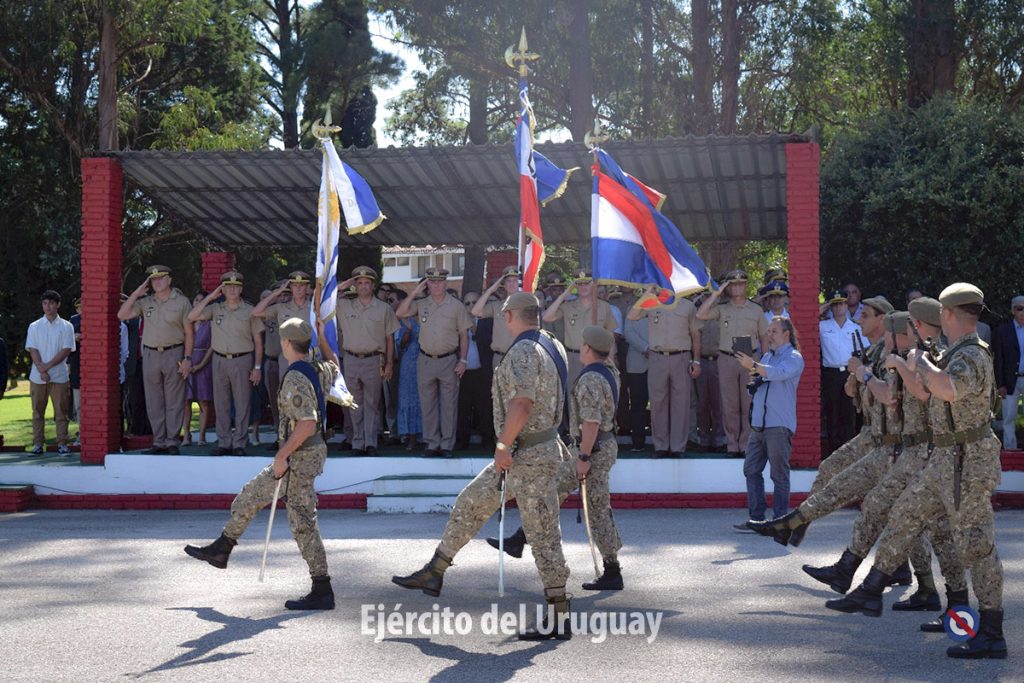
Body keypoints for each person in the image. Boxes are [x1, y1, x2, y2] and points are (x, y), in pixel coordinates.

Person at [829, 283, 1006, 660]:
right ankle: (871, 589)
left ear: (948, 314)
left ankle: (992, 633)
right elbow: (926, 392)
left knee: (976, 546)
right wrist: (911, 363)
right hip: (945, 458)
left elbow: (947, 389)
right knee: (905, 513)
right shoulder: (952, 352)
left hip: (968, 463)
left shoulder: (972, 354)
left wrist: (921, 363)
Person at [392, 292, 573, 640]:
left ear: (510, 316)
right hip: (528, 452)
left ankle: (559, 614)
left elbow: (522, 404)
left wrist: (503, 445)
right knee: (470, 502)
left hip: (528, 455)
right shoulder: (552, 343)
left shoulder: (523, 350)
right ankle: (435, 571)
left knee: (543, 537)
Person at [184, 317, 341, 611]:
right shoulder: (317, 368)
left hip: (299, 456)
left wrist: (282, 456)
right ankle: (223, 547)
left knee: (301, 522)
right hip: (305, 453)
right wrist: (323, 338)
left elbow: (307, 422)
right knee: (252, 496)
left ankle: (322, 589)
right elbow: (335, 366)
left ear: (285, 343)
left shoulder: (295, 377)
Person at [733, 317, 804, 528]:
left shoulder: (794, 357)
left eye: (774, 331)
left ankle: (780, 521)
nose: (769, 335)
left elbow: (778, 374)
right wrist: (753, 382)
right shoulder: (767, 356)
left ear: (786, 334)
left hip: (778, 424)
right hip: (759, 424)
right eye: (769, 331)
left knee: (778, 474)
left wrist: (755, 366)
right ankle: (757, 518)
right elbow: (763, 380)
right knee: (751, 469)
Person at [118, 264, 194, 454]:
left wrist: (187, 358)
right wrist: (136, 293)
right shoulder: (146, 302)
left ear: (169, 280)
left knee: (174, 399)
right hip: (151, 354)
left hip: (174, 352)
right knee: (154, 400)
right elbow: (122, 314)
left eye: (160, 278)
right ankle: (159, 441)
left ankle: (172, 441)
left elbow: (189, 333)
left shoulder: (182, 302)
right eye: (153, 280)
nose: (157, 282)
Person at [395, 268, 471, 457]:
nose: (436, 285)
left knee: (449, 405)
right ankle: (431, 443)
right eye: (432, 282)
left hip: (449, 360)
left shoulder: (456, 306)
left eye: (440, 281)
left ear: (446, 283)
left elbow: (464, 335)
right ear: (427, 284)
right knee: (427, 404)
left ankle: (446, 445)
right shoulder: (421, 304)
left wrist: (463, 360)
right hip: (425, 360)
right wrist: (415, 291)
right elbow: (400, 312)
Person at [571, 326, 625, 590]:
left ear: (588, 348)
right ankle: (521, 536)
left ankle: (612, 570)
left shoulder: (591, 378)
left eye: (583, 344)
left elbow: (591, 422)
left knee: (597, 508)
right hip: (604, 444)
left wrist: (584, 456)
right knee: (556, 486)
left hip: (594, 448)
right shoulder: (609, 371)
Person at [188, 271, 264, 456]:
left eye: (236, 287)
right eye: (228, 287)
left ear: (241, 289)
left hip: (242, 359)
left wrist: (257, 367)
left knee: (242, 402)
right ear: (222, 289)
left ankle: (239, 443)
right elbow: (192, 316)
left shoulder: (250, 311)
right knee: (221, 403)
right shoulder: (215, 309)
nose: (232, 290)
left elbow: (258, 342)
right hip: (219, 359)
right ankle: (224, 442)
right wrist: (210, 298)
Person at [696, 269, 770, 457]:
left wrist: (765, 363)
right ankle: (732, 444)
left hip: (750, 357)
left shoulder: (755, 309)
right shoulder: (722, 308)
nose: (737, 288)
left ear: (745, 286)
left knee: (748, 402)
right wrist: (716, 293)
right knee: (729, 404)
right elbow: (701, 314)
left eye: (740, 284)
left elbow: (764, 337)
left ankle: (745, 444)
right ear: (728, 288)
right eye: (733, 285)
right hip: (727, 358)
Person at [627, 286, 702, 457]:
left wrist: (696, 361)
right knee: (658, 401)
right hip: (657, 357)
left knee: (681, 403)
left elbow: (696, 334)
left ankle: (677, 447)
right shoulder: (652, 302)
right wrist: (647, 294)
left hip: (681, 356)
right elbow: (632, 316)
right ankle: (660, 445)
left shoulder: (687, 306)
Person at [335, 266, 399, 456]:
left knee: (372, 403)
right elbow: (323, 298)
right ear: (355, 285)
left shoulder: (384, 308)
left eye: (367, 283)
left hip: (373, 360)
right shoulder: (344, 305)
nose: (363, 286)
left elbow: (389, 338)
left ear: (373, 285)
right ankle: (357, 442)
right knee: (354, 404)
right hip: (351, 359)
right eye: (360, 282)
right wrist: (347, 283)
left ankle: (371, 443)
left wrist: (389, 363)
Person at [542, 270, 618, 383]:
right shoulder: (568, 306)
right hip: (573, 358)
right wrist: (563, 295)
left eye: (586, 283)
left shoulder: (604, 307)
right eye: (579, 284)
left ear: (593, 284)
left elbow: (610, 337)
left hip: (597, 358)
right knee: (573, 391)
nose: (583, 287)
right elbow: (546, 317)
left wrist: (611, 362)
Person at [26, 290, 76, 455]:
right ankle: (37, 444)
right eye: (45, 303)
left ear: (58, 305)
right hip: (37, 376)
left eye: (51, 303)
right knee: (37, 412)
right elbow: (32, 348)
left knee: (61, 412)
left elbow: (66, 349)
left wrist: (46, 367)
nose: (48, 307)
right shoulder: (34, 326)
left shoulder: (66, 326)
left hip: (59, 375)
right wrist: (41, 368)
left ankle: (62, 444)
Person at [819, 289, 863, 455]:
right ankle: (833, 451)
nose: (838, 308)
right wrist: (823, 307)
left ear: (846, 305)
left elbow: (864, 350)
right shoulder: (823, 326)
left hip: (849, 374)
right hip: (830, 374)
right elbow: (806, 326)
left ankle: (848, 452)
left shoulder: (856, 327)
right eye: (835, 305)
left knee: (848, 413)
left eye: (842, 304)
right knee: (832, 414)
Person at [252, 270, 313, 381]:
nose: (298, 289)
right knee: (286, 387)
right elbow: (255, 312)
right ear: (291, 287)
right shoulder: (281, 308)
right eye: (295, 285)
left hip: (309, 355)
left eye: (302, 285)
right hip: (286, 356)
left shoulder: (314, 309)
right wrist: (275, 294)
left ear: (307, 288)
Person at [456, 289, 495, 451]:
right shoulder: (458, 323)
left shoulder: (487, 321)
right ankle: (461, 441)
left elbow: (490, 344)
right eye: (467, 303)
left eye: (474, 302)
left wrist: (475, 330)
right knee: (463, 408)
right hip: (463, 372)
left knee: (485, 407)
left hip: (482, 371)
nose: (471, 306)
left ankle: (488, 440)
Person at [182, 291, 214, 447]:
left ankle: (201, 435)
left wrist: (201, 365)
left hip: (203, 363)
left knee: (203, 401)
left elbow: (212, 346)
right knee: (186, 401)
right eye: (196, 300)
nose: (198, 302)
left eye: (202, 300)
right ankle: (186, 435)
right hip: (186, 364)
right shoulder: (186, 322)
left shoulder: (210, 323)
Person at [993, 295, 1024, 449]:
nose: (1023, 312)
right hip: (1010, 380)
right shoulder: (1003, 331)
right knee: (1008, 417)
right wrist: (1000, 384)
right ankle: (1010, 449)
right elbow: (998, 360)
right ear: (1013, 311)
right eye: (1020, 308)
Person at [394, 291, 422, 450]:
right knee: (409, 399)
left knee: (425, 399)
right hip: (409, 364)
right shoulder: (406, 321)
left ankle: (426, 436)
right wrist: (409, 330)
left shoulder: (430, 319)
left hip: (426, 361)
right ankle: (410, 437)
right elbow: (401, 345)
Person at [622, 311, 650, 452]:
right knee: (637, 405)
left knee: (662, 405)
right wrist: (645, 348)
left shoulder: (665, 307)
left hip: (660, 361)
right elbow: (628, 333)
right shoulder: (632, 310)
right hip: (637, 364)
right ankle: (638, 443)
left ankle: (662, 444)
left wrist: (657, 349)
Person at [69, 298, 82, 424]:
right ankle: (80, 427)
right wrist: (74, 337)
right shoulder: (73, 321)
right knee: (78, 401)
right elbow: (66, 339)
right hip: (76, 362)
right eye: (79, 308)